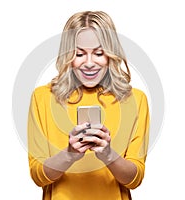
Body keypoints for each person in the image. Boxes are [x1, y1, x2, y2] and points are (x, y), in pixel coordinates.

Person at [28, 11, 150, 200]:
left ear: (110, 54)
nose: (90, 63)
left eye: (99, 53)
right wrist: (69, 154)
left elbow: (134, 179)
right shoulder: (43, 98)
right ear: (68, 55)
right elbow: (38, 176)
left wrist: (108, 155)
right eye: (79, 54)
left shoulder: (136, 100)